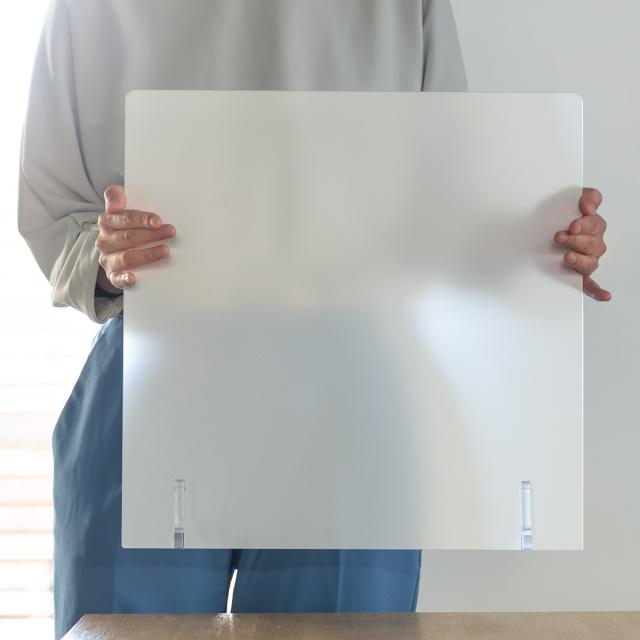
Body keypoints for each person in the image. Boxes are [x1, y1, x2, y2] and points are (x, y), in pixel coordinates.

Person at [16, 1, 611, 638]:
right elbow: (56, 206)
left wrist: (539, 244)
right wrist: (107, 256)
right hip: (154, 375)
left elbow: (448, 195)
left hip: (349, 392)